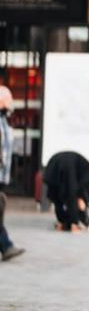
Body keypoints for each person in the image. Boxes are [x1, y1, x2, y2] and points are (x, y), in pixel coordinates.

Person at [43, 151, 89, 232]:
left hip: (54, 163)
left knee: (57, 195)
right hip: (67, 165)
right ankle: (74, 224)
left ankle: (61, 222)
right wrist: (81, 199)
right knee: (72, 194)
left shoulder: (86, 168)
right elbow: (76, 190)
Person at [0, 87, 24, 261]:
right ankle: (6, 246)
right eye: (9, 99)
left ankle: (6, 246)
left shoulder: (3, 120)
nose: (11, 102)